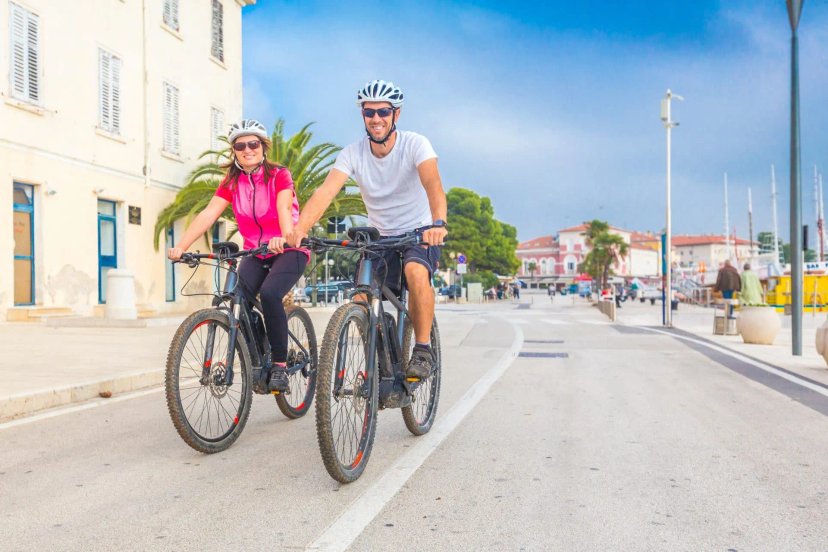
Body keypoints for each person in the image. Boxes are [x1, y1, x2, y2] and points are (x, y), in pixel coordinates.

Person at [286, 80, 447, 379]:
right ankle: (383, 356)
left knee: (415, 272)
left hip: (418, 232)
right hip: (380, 238)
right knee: (359, 299)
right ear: (362, 115)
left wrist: (438, 224)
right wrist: (300, 229)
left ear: (395, 115)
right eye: (369, 112)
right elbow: (325, 193)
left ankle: (423, 349)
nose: (376, 119)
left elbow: (433, 186)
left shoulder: (416, 144)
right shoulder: (352, 153)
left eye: (383, 111)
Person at [167, 119, 309, 393]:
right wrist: (182, 246)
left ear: (263, 147)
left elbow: (283, 206)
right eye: (240, 145)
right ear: (234, 151)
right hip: (256, 251)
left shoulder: (279, 175)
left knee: (269, 294)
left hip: (288, 249)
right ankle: (260, 353)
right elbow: (209, 213)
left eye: (253, 144)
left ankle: (280, 365)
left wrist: (284, 235)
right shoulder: (232, 182)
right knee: (237, 298)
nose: (247, 150)